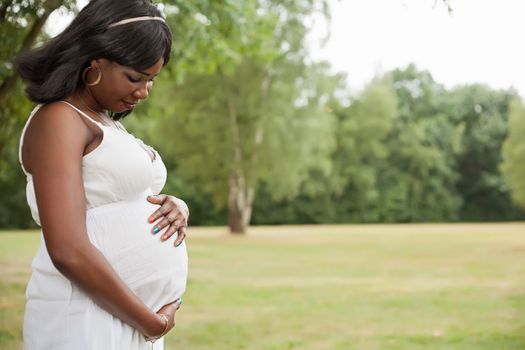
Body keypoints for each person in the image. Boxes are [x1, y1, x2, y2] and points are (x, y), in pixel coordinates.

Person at [15, 0, 189, 348]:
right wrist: (150, 322)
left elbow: (119, 197)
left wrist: (176, 207)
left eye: (151, 80)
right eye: (134, 77)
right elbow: (67, 249)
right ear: (95, 60)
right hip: (85, 319)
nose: (143, 92)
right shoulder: (59, 119)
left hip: (125, 319)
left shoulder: (104, 122)